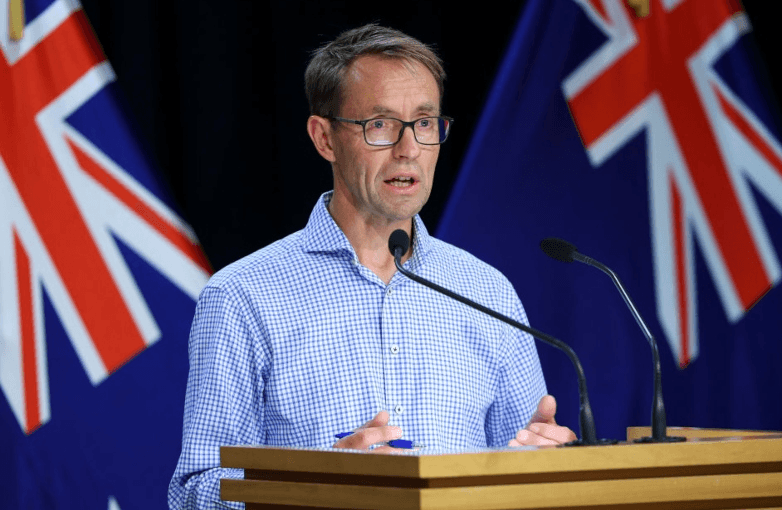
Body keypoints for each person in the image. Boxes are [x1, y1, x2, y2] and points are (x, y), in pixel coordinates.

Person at [167, 23, 575, 509]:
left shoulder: (487, 291)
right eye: (380, 124)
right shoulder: (242, 295)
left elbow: (524, 465)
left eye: (425, 123)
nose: (409, 149)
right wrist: (312, 486)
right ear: (324, 139)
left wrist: (547, 462)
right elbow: (194, 492)